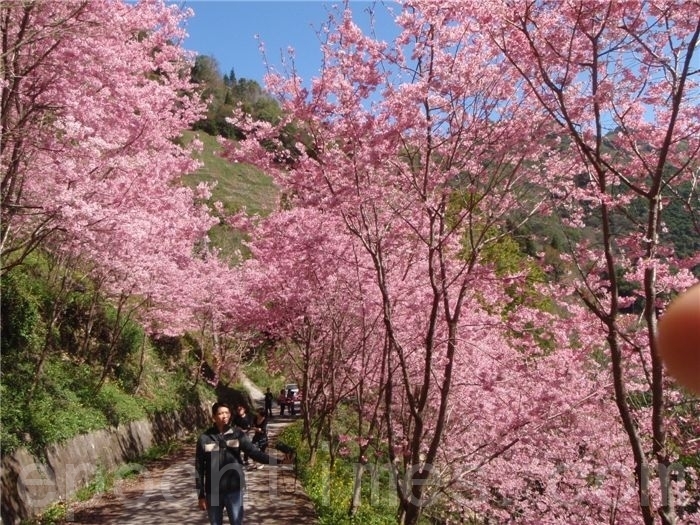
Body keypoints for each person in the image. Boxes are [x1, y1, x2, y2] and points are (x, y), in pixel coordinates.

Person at [195, 401, 286, 525]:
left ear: (230, 415)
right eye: (220, 413)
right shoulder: (205, 438)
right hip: (213, 491)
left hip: (234, 490)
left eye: (226, 413)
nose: (224, 416)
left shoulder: (238, 434)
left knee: (237, 522)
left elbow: (254, 453)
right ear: (214, 417)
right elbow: (199, 467)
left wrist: (278, 461)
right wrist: (201, 495)